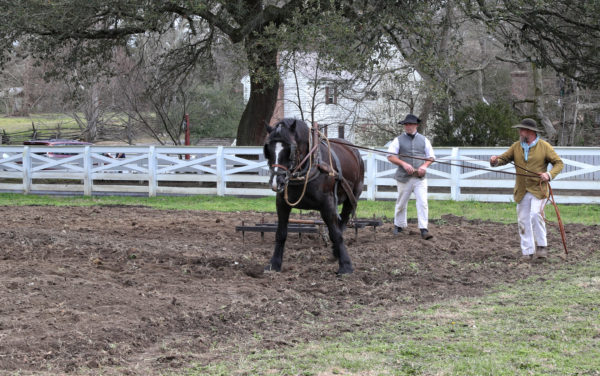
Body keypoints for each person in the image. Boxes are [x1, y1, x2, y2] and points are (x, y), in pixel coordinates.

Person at [490, 118, 564, 260]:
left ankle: (542, 246)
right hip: (522, 190)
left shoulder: (544, 146)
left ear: (530, 132)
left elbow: (559, 163)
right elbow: (503, 159)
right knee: (523, 220)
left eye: (521, 129)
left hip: (539, 190)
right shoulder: (516, 146)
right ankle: (527, 251)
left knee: (536, 215)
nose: (519, 132)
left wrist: (549, 174)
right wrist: (495, 161)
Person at [387, 114, 435, 240]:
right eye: (406, 124)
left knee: (423, 202)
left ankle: (424, 229)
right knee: (401, 203)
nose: (407, 127)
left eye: (410, 124)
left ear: (416, 125)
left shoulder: (424, 140)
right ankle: (399, 225)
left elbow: (431, 157)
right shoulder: (397, 140)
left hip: (420, 178)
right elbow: (390, 156)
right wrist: (403, 163)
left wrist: (424, 166)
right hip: (404, 177)